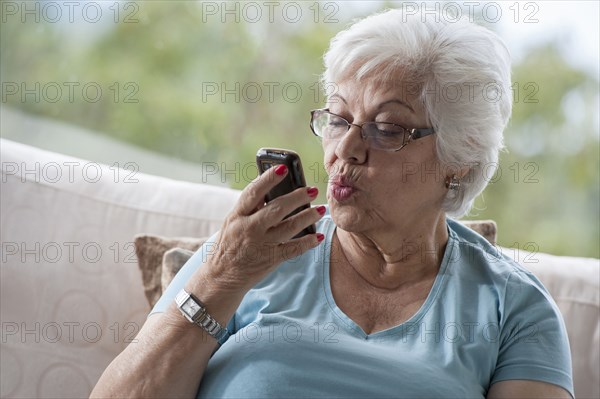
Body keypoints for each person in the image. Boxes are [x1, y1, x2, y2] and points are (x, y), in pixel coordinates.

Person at [91, 7, 573, 398]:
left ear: (459, 159)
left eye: (386, 130)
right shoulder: (247, 256)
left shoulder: (514, 309)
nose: (345, 150)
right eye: (339, 119)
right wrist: (220, 278)